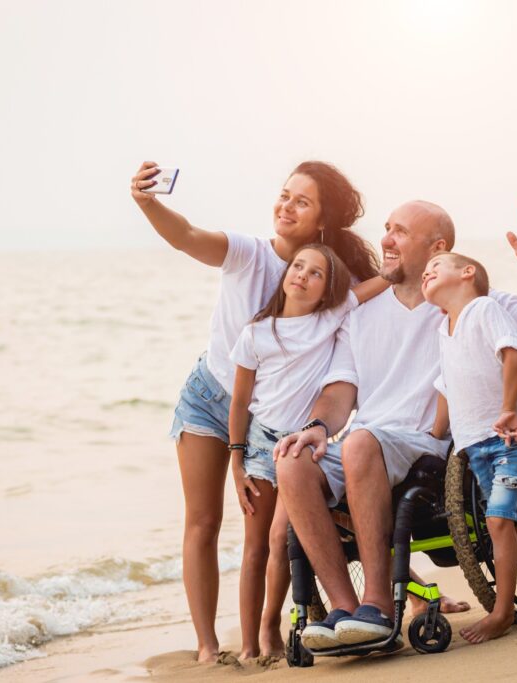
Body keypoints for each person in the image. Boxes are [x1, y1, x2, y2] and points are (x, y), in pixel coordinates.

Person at [274, 196, 517, 649]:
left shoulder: (474, 303)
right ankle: (345, 610)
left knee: (361, 441)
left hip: (428, 445)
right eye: (386, 228)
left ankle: (378, 608)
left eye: (400, 231)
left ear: (437, 246)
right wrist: (318, 427)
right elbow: (340, 391)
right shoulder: (360, 313)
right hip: (368, 442)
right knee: (292, 460)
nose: (385, 239)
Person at [130, 159, 379, 662]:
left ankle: (262, 634)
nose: (286, 206)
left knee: (265, 539)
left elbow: (364, 302)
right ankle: (206, 645)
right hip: (209, 398)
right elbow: (185, 235)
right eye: (284, 195)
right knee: (201, 520)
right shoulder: (247, 253)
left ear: (322, 220)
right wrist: (148, 201)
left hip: (269, 424)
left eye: (301, 201)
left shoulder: (327, 279)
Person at [227, 244, 388, 658]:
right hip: (260, 442)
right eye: (298, 266)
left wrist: (397, 269)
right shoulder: (255, 333)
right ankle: (248, 645)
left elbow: (372, 288)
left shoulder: (329, 318)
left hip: (300, 443)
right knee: (255, 545)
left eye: (316, 273)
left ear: (326, 291)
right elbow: (240, 402)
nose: (302, 275)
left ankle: (270, 629)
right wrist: (236, 462)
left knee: (282, 536)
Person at [422, 249, 517, 643]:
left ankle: (501, 612)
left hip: (510, 438)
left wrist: (507, 409)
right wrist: (435, 439)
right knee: (516, 524)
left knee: (497, 520)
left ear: (467, 273)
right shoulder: (442, 330)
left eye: (436, 266)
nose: (427, 273)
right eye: (425, 271)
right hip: (474, 445)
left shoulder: (485, 308)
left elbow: (514, 354)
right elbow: (446, 387)